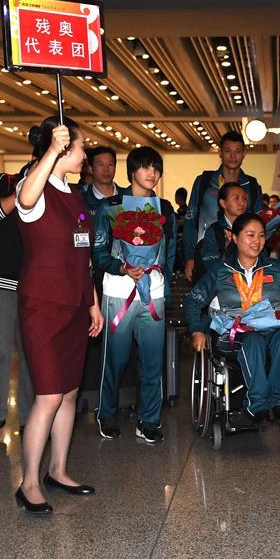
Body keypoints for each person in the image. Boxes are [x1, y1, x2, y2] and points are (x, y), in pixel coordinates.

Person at [15, 116, 104, 514]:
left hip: (74, 304)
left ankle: (59, 470)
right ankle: (29, 483)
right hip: (43, 307)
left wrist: (93, 303)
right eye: (81, 147)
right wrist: (52, 150)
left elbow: (82, 257)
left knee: (68, 393)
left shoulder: (75, 195)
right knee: (49, 395)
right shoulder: (35, 186)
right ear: (62, 146)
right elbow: (25, 202)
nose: (85, 155)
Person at [185, 213, 280, 422]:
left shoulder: (276, 269)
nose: (257, 241)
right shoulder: (220, 271)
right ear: (235, 238)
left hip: (271, 331)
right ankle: (257, 404)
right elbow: (193, 300)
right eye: (250, 235)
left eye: (261, 236)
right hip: (232, 334)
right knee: (253, 341)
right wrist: (196, 329)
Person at [92, 147, 177, 443]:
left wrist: (163, 277)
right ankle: (106, 412)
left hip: (153, 291)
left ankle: (149, 419)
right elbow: (98, 252)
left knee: (153, 359)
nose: (151, 173)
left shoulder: (165, 209)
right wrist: (121, 267)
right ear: (131, 172)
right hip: (118, 290)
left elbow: (172, 250)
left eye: (156, 168)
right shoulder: (111, 206)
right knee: (115, 358)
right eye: (145, 167)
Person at [0, 167, 35, 443]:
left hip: (34, 283)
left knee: (30, 353)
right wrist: (23, 191)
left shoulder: (56, 188)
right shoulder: (5, 180)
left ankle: (29, 418)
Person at [184, 131, 263, 281]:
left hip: (243, 257)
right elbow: (190, 220)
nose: (233, 156)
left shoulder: (251, 186)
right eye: (228, 151)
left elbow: (259, 223)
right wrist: (189, 257)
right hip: (205, 255)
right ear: (220, 152)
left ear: (244, 154)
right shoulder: (204, 182)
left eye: (238, 151)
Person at [197, 182, 248, 278]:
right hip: (224, 282)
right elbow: (210, 262)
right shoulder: (214, 231)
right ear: (223, 203)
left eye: (244, 198)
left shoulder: (252, 228)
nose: (242, 203)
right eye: (236, 198)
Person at [80, 147, 119, 219]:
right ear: (90, 169)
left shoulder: (127, 196)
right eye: (100, 164)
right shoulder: (81, 201)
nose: (106, 169)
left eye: (110, 164)